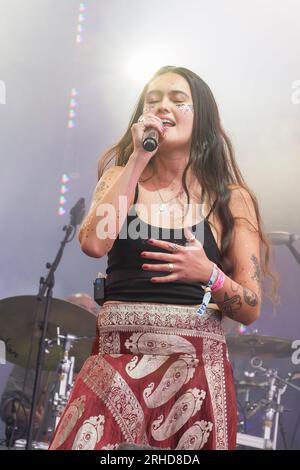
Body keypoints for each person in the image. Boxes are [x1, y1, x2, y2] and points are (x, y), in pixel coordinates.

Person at [49, 65, 278, 451]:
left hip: (193, 374)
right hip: (116, 363)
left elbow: (250, 307)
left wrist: (209, 274)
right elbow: (93, 244)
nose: (162, 107)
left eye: (177, 100)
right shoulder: (121, 177)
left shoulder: (230, 197)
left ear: (201, 114)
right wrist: (138, 158)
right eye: (152, 101)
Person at [0, 293, 99, 447]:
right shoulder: (36, 359)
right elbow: (8, 406)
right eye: (81, 309)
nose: (87, 315)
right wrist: (28, 415)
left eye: (93, 311)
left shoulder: (97, 368)